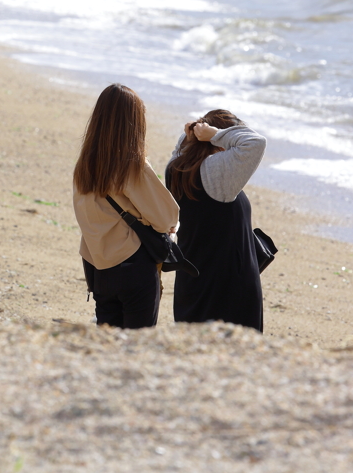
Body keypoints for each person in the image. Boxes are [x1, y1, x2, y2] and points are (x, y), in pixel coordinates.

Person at [73, 84, 180, 329]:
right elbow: (168, 218)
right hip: (135, 268)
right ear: (133, 122)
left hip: (99, 268)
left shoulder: (84, 166)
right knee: (136, 348)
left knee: (108, 347)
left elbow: (86, 217)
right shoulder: (132, 165)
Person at [165, 109, 266, 331]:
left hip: (192, 280)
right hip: (229, 285)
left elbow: (179, 151)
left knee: (193, 348)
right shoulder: (218, 172)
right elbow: (256, 142)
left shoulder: (175, 169)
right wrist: (215, 134)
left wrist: (190, 136)